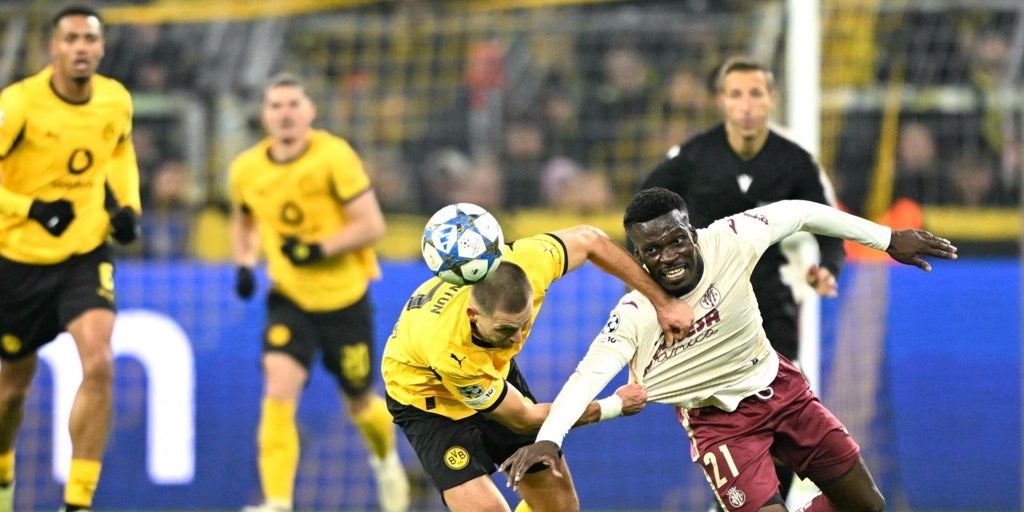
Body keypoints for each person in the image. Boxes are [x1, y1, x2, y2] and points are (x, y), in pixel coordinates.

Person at [501, 187, 958, 512]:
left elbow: (799, 212)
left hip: (780, 389)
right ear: (637, 258)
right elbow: (587, 377)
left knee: (867, 505)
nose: (668, 257)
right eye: (652, 251)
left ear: (693, 233)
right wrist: (550, 440)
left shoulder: (732, 239)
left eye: (676, 241)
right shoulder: (635, 314)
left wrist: (886, 238)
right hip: (719, 425)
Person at [639, 56, 846, 499]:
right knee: (725, 420)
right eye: (736, 94)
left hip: (771, 304)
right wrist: (647, 287)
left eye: (756, 94)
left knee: (780, 418)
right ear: (722, 102)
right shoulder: (693, 158)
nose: (746, 105)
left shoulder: (794, 161)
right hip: (705, 309)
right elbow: (641, 214)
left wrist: (827, 267)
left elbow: (828, 224)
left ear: (771, 100)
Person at [381, 223, 694, 512]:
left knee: (560, 508)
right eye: (506, 329)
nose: (517, 338)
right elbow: (523, 419)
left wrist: (662, 301)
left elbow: (591, 240)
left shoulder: (529, 263)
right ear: (474, 315)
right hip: (428, 402)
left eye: (524, 323)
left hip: (493, 374)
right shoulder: (449, 348)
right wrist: (614, 406)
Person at [228, 73, 409, 512]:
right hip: (290, 298)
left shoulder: (334, 157)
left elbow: (372, 225)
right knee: (278, 388)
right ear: (265, 115)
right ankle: (277, 501)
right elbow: (244, 220)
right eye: (276, 106)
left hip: (345, 300)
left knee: (360, 402)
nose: (285, 114)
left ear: (310, 111)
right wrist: (245, 263)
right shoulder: (246, 170)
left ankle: (386, 462)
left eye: (294, 104)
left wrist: (318, 249)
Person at [0, 5, 141, 512]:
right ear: (54, 49)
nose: (81, 47)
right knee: (11, 390)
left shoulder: (115, 99)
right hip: (18, 260)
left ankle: (78, 503)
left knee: (99, 362)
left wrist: (128, 207)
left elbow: (120, 151)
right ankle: (3, 479)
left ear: (101, 48)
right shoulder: (18, 105)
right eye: (71, 39)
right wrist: (31, 209)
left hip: (85, 252)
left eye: (90, 39)